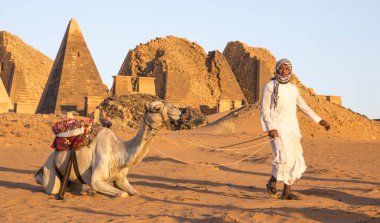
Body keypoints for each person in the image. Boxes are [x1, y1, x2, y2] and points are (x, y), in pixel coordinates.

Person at [260, 58, 330, 200]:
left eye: (287, 69)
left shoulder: (293, 89)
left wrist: (319, 120)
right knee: (282, 158)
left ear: (291, 71)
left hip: (292, 129)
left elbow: (304, 107)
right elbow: (264, 110)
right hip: (277, 128)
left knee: (294, 159)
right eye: (281, 68)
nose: (284, 71)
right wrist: (270, 128)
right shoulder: (270, 86)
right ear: (277, 69)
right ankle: (272, 181)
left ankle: (286, 193)